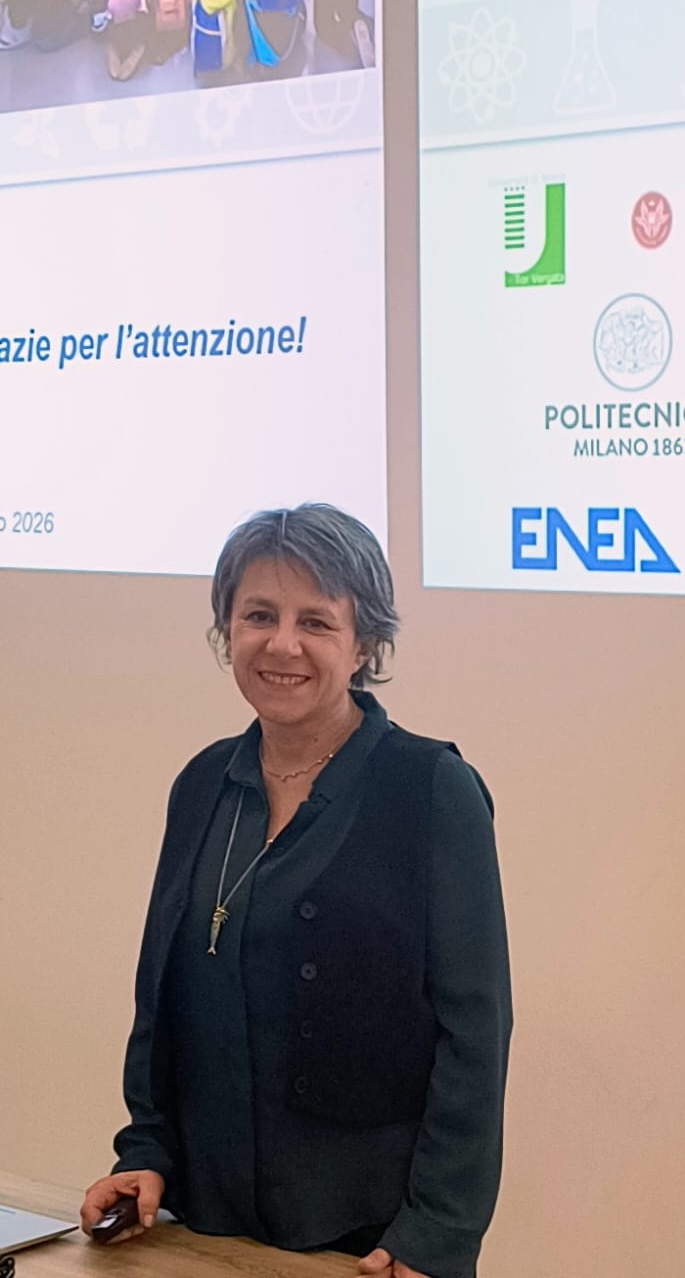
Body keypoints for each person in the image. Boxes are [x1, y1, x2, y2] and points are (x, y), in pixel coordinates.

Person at [81, 505, 511, 1278]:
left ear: (364, 643)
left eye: (315, 620)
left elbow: (474, 1033)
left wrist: (437, 1231)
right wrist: (145, 1150)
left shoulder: (431, 788)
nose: (282, 644)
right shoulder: (203, 782)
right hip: (204, 1222)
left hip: (372, 1238)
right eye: (258, 616)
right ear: (227, 631)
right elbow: (162, 998)